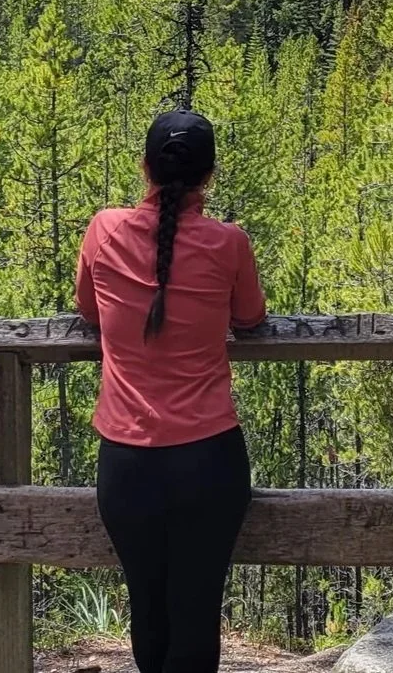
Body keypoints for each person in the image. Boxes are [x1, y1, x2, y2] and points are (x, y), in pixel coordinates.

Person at [75, 108, 267, 673]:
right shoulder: (228, 243)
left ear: (145, 168)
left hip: (127, 462)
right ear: (209, 177)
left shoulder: (103, 229)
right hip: (209, 457)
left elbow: (88, 309)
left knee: (148, 616)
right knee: (196, 618)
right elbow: (251, 317)